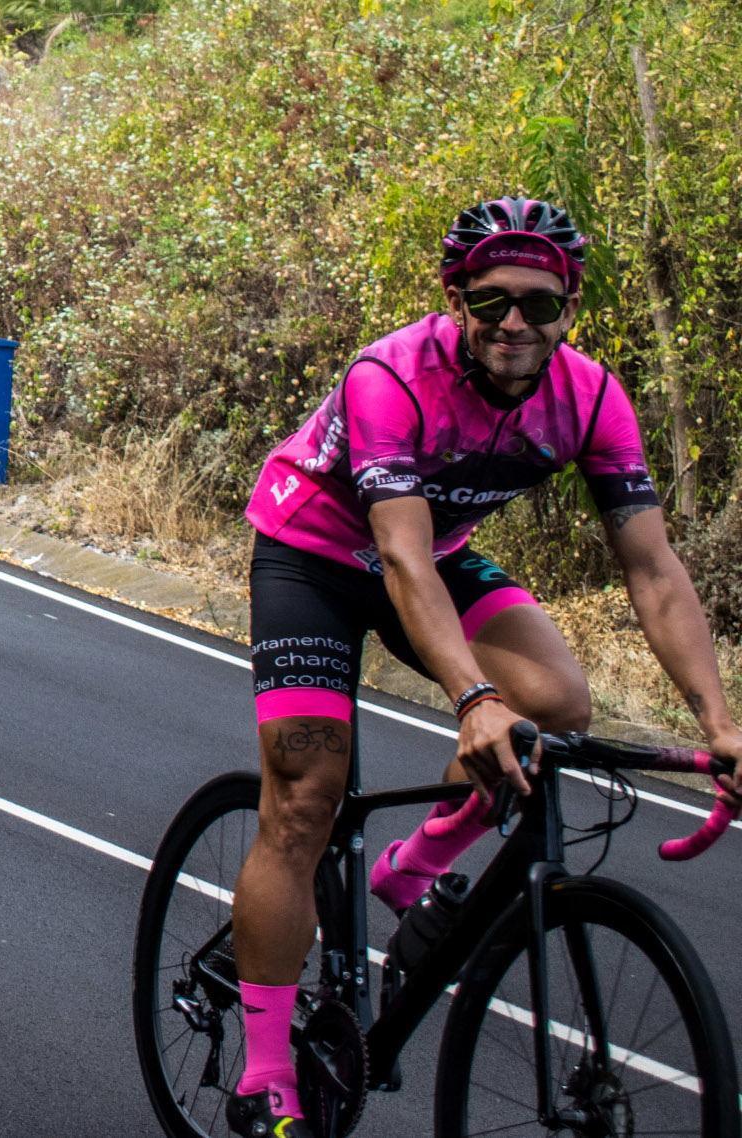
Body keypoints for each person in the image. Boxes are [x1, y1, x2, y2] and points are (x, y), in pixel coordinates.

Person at [222, 196, 742, 1138]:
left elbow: (655, 570)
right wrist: (472, 698)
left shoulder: (589, 396)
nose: (514, 323)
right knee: (305, 795)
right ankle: (266, 1075)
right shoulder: (392, 376)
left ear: (568, 307)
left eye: (538, 305)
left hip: (434, 548)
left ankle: (412, 864)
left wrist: (720, 723)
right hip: (316, 552)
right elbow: (400, 559)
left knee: (557, 704)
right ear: (455, 298)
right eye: (492, 300)